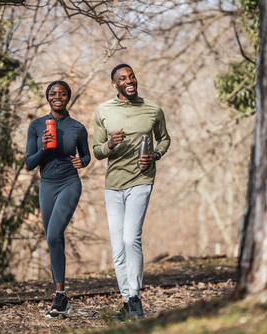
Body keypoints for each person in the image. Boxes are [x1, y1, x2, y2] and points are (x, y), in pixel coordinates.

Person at [93, 64, 171, 319]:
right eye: (122, 79)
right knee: (117, 247)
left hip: (141, 179)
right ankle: (128, 302)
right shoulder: (103, 111)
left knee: (130, 239)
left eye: (131, 76)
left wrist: (156, 154)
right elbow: (96, 150)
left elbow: (165, 139)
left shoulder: (152, 110)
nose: (129, 81)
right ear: (114, 84)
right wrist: (110, 144)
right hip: (113, 185)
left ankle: (135, 297)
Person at [25, 81, 90, 318]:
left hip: (69, 184)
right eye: (53, 94)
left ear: (68, 98)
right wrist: (42, 147)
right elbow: (29, 164)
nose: (58, 97)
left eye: (62, 94)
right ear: (48, 97)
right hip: (46, 186)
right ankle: (61, 297)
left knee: (53, 234)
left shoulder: (77, 127)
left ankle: (60, 298)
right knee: (54, 239)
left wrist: (81, 162)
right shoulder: (36, 125)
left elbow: (86, 155)